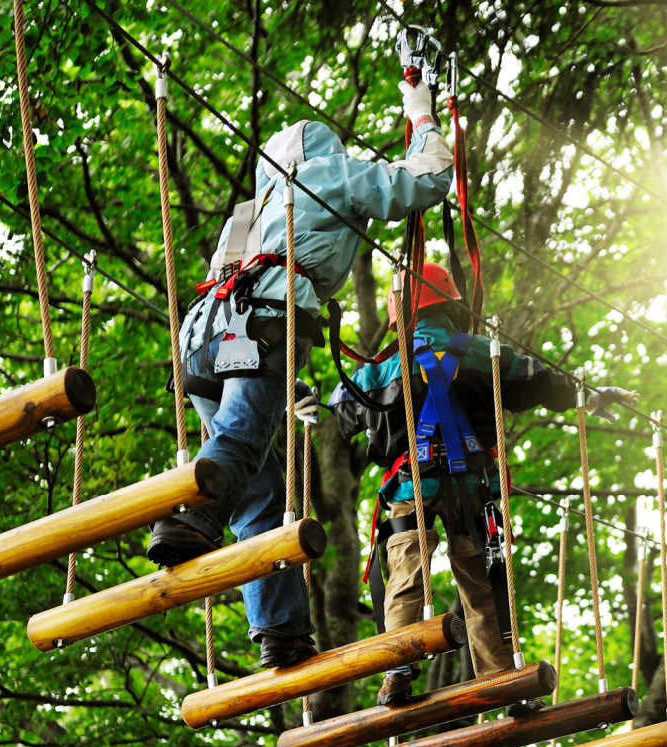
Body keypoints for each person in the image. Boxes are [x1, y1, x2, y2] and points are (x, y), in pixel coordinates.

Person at [145, 80, 454, 670]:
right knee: (242, 438)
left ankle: (280, 631)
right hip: (264, 321)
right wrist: (420, 111)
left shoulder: (248, 213)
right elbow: (428, 178)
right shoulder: (327, 176)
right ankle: (191, 514)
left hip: (201, 343)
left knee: (259, 489)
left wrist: (289, 385)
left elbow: (233, 299)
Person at [328, 262, 636, 709]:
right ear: (453, 308)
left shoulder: (380, 371)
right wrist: (588, 394)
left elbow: (343, 409)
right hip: (473, 486)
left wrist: (305, 401)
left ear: (400, 316)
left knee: (406, 576)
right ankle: (501, 678)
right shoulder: (486, 353)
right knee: (484, 586)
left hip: (410, 487)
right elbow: (542, 382)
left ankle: (397, 670)